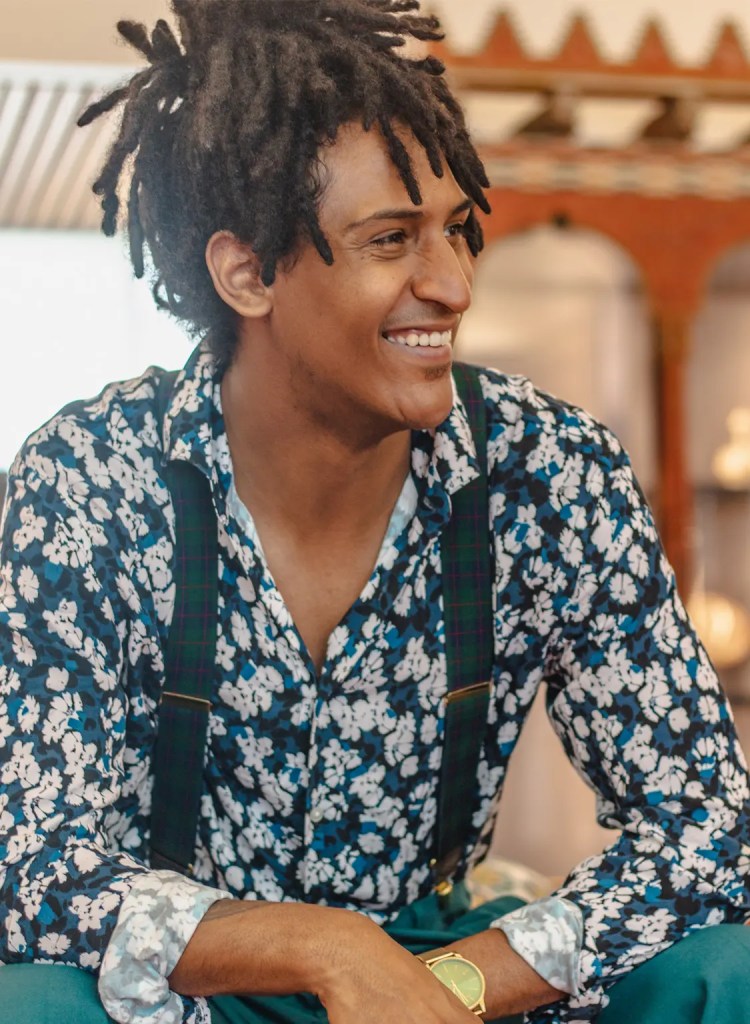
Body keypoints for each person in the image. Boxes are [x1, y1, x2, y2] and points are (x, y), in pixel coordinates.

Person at [1, 2, 749, 1022]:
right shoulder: (86, 481)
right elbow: (31, 864)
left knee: (729, 971)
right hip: (192, 984)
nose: (450, 283)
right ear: (249, 273)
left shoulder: (551, 471)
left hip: (446, 969)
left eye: (455, 231)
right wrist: (322, 947)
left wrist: (448, 979)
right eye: (391, 239)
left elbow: (709, 826)